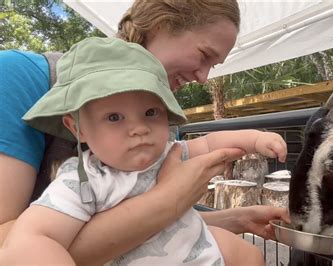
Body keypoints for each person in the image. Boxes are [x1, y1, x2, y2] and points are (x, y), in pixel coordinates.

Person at [0, 0, 291, 265]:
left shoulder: (160, 134)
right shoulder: (19, 78)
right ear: (160, 24)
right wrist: (168, 200)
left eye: (152, 113)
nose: (203, 77)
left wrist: (236, 218)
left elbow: (161, 231)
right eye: (204, 55)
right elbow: (14, 245)